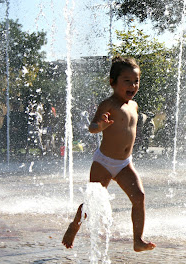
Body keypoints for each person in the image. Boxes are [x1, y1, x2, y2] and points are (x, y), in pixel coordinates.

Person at [62, 56, 156, 252]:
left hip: (124, 163)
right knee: (92, 202)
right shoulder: (108, 104)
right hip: (104, 162)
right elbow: (92, 127)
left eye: (136, 81)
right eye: (127, 81)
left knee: (139, 197)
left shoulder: (134, 105)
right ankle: (74, 226)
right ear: (113, 82)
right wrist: (101, 125)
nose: (133, 85)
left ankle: (137, 240)